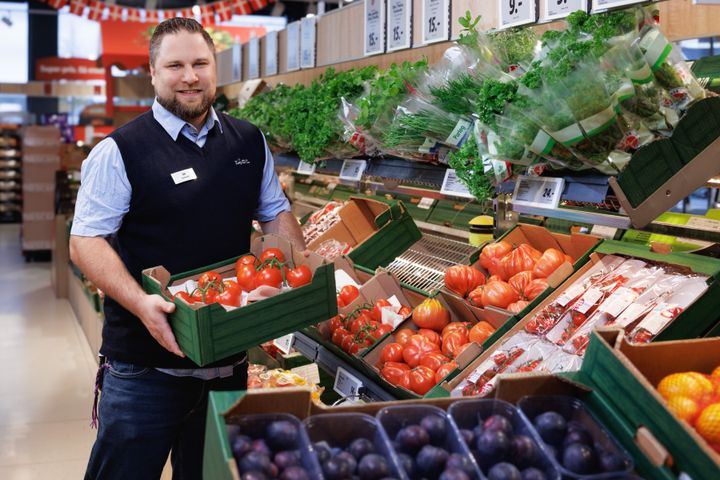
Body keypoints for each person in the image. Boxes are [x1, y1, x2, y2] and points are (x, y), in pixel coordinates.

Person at [69, 17, 306, 479]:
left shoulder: (248, 140)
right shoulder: (120, 150)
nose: (190, 76)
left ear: (215, 69)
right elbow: (85, 241)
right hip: (144, 369)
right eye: (175, 65)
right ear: (153, 74)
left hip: (228, 365)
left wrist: (294, 276)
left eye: (200, 63)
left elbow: (275, 212)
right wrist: (141, 304)